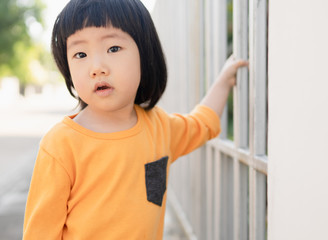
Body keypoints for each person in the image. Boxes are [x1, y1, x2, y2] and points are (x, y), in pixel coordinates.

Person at [23, 0, 248, 239]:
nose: (97, 67)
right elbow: (40, 233)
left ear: (145, 53)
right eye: (80, 54)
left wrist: (223, 81)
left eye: (113, 48)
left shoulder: (159, 126)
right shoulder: (61, 144)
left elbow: (202, 123)